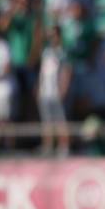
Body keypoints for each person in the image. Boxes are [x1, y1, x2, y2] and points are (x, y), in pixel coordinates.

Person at [37, 25, 71, 156]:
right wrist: (39, 88)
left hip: (57, 92)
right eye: (50, 36)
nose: (52, 38)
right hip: (45, 91)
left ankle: (64, 146)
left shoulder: (63, 52)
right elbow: (42, 72)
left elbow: (67, 71)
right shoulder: (46, 52)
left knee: (60, 120)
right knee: (46, 121)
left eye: (55, 35)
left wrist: (63, 88)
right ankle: (48, 146)